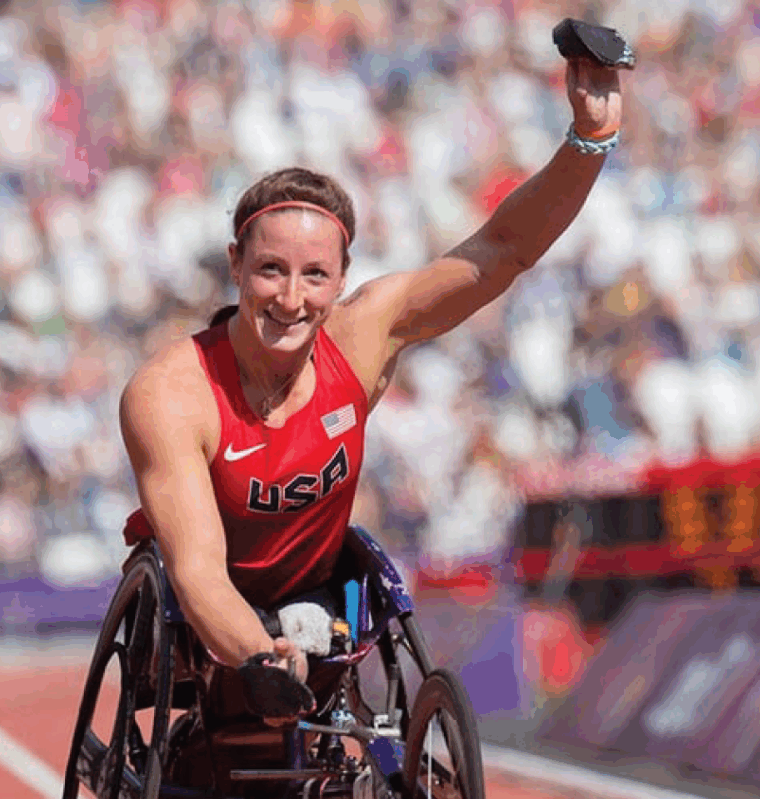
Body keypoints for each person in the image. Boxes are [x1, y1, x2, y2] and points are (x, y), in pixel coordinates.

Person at [119, 55, 625, 723]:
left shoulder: (359, 340)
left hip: (316, 593)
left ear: (341, 278)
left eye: (314, 276)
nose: (292, 299)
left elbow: (501, 251)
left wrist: (589, 139)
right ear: (235, 264)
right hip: (207, 610)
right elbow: (199, 573)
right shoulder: (171, 392)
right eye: (271, 270)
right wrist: (261, 656)